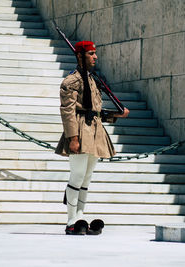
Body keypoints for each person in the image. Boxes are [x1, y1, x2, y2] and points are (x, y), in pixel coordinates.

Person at [55, 40, 129, 235]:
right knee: (77, 176)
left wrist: (116, 115)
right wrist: (73, 137)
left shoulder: (93, 80)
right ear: (80, 56)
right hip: (80, 130)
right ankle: (72, 220)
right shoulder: (71, 82)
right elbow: (68, 111)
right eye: (91, 54)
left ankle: (80, 216)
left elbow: (96, 111)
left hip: (95, 131)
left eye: (95, 54)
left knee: (86, 178)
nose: (95, 57)